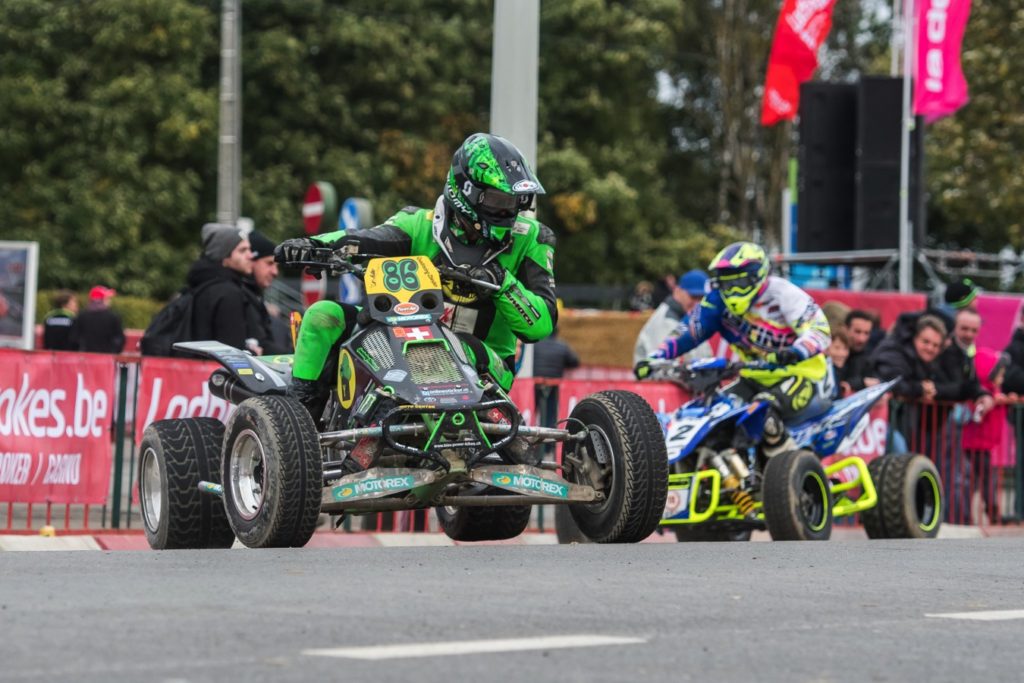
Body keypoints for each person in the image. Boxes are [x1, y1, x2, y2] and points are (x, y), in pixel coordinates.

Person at [275, 132, 557, 425]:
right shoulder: (418, 224)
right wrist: (315, 245)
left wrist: (501, 282)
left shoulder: (533, 238)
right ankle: (299, 426)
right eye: (500, 200)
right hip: (400, 343)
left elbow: (540, 327)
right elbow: (365, 238)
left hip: (486, 362)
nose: (510, 211)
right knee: (322, 315)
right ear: (467, 193)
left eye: (516, 201)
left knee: (446, 345)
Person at [635, 242, 832, 457]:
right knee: (715, 418)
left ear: (757, 276)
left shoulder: (785, 294)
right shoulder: (716, 301)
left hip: (801, 376)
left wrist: (797, 351)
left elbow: (820, 330)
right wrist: (655, 358)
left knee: (763, 414)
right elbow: (687, 333)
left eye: (739, 282)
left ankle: (792, 469)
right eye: (727, 284)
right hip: (752, 377)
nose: (732, 291)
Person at [188, 223, 262, 355]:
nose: (250, 255)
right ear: (224, 257)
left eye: (249, 249)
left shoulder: (202, 285)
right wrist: (253, 353)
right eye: (242, 250)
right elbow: (230, 354)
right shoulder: (228, 293)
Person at [632, 270, 713, 365]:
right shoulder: (666, 320)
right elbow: (663, 365)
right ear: (677, 291)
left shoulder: (687, 319)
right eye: (693, 297)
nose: (697, 303)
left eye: (702, 298)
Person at [244, 230, 292, 354]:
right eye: (269, 263)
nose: (275, 272)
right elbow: (262, 343)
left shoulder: (253, 297)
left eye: (276, 266)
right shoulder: (239, 297)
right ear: (251, 261)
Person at [70, 286, 125, 354]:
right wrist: (113, 351)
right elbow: (119, 339)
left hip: (85, 357)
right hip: (107, 357)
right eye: (107, 298)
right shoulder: (113, 317)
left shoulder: (81, 316)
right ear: (101, 300)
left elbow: (74, 339)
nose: (109, 301)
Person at [842, 309, 879, 393]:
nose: (861, 339)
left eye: (866, 333)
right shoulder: (832, 353)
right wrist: (862, 382)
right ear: (845, 329)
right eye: (857, 332)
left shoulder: (869, 357)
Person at [826, 328, 850, 398]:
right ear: (826, 349)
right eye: (837, 348)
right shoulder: (823, 374)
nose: (842, 353)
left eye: (845, 348)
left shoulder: (845, 370)